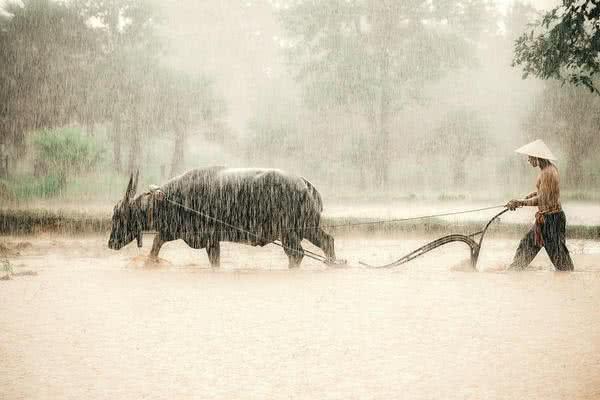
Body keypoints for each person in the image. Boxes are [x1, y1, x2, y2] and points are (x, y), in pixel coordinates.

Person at [506, 139, 574, 271]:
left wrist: (520, 202)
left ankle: (569, 279)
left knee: (559, 258)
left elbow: (543, 198)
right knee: (526, 245)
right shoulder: (547, 170)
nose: (528, 160)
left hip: (552, 220)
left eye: (529, 157)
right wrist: (531, 195)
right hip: (546, 219)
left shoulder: (548, 173)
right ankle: (513, 271)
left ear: (537, 157)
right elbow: (545, 192)